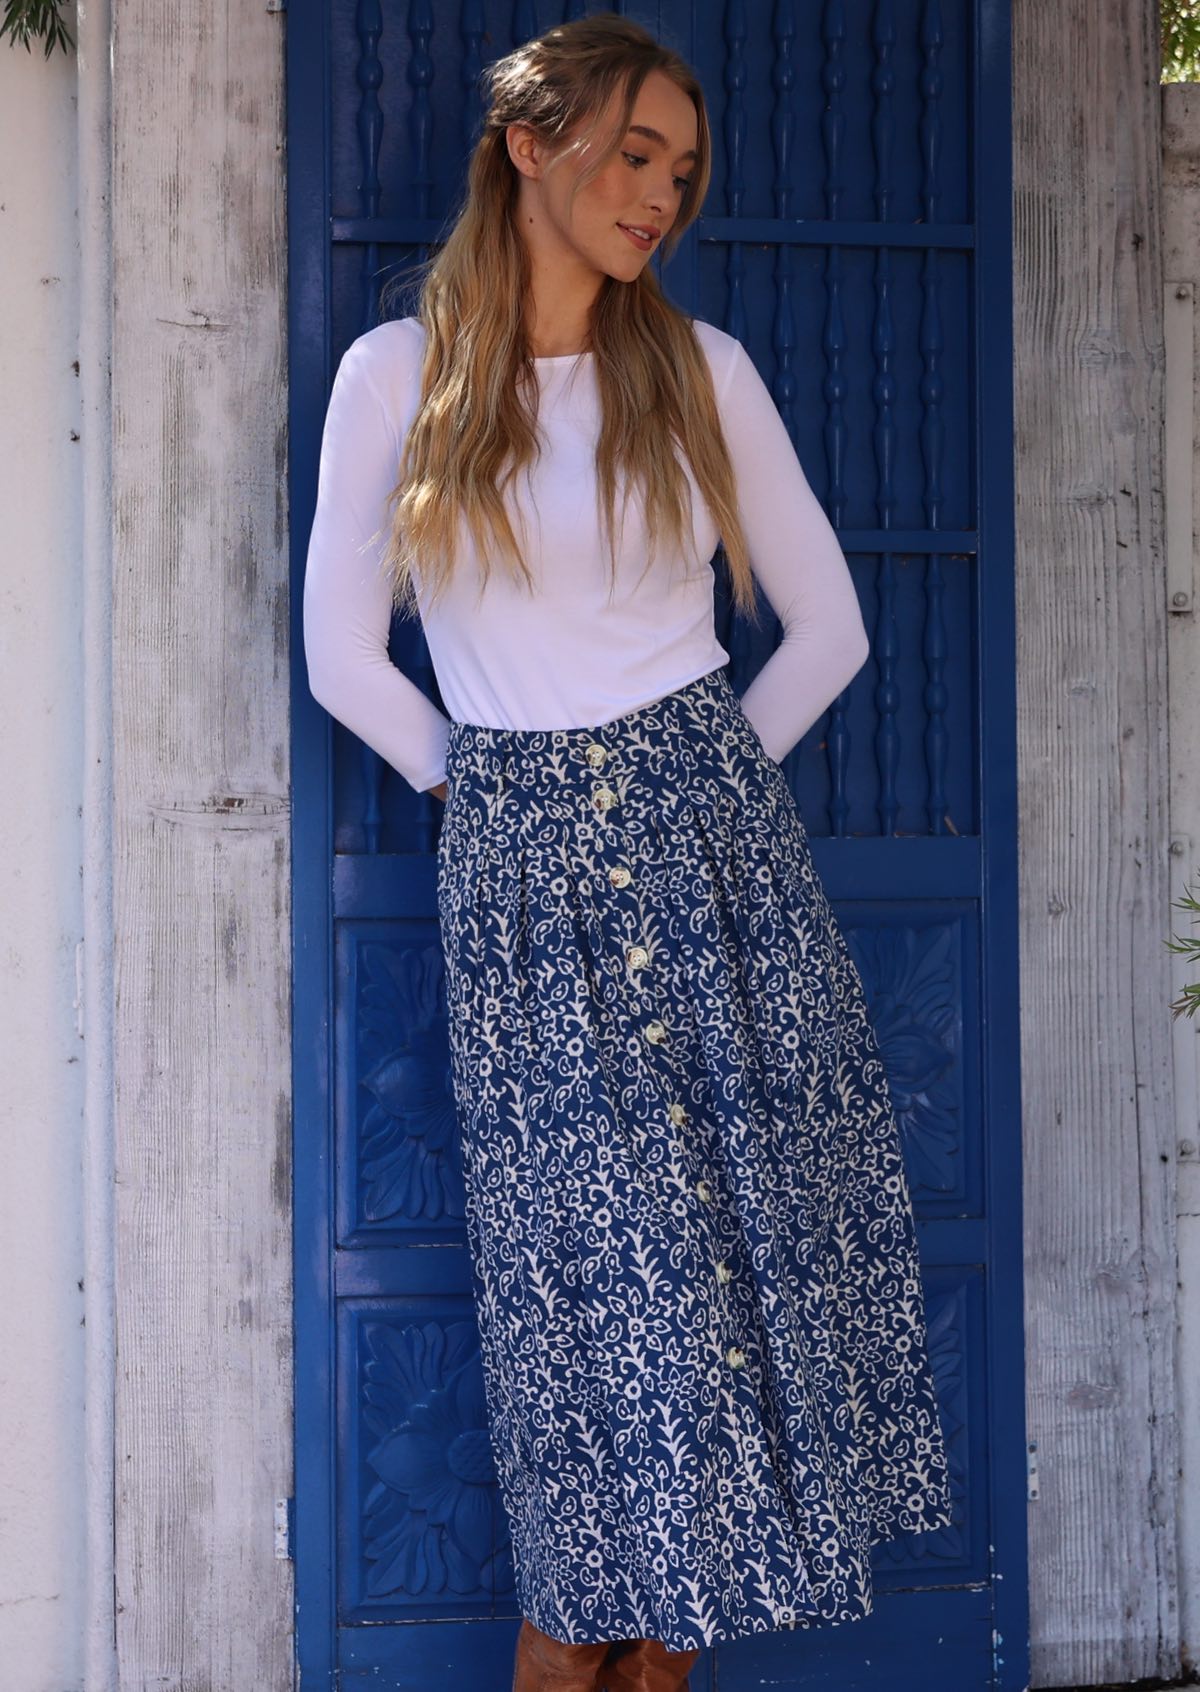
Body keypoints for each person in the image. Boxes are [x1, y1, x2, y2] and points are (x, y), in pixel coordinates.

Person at [303, 14, 954, 1692]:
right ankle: (579, 1634)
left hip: (717, 870)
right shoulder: (400, 377)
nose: (661, 191)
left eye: (682, 167)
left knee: (730, 1293)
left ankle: (666, 1655)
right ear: (531, 145)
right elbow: (337, 657)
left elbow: (828, 632)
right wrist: (489, 786)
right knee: (578, 1310)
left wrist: (694, 779)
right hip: (521, 880)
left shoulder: (703, 370)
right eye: (634, 153)